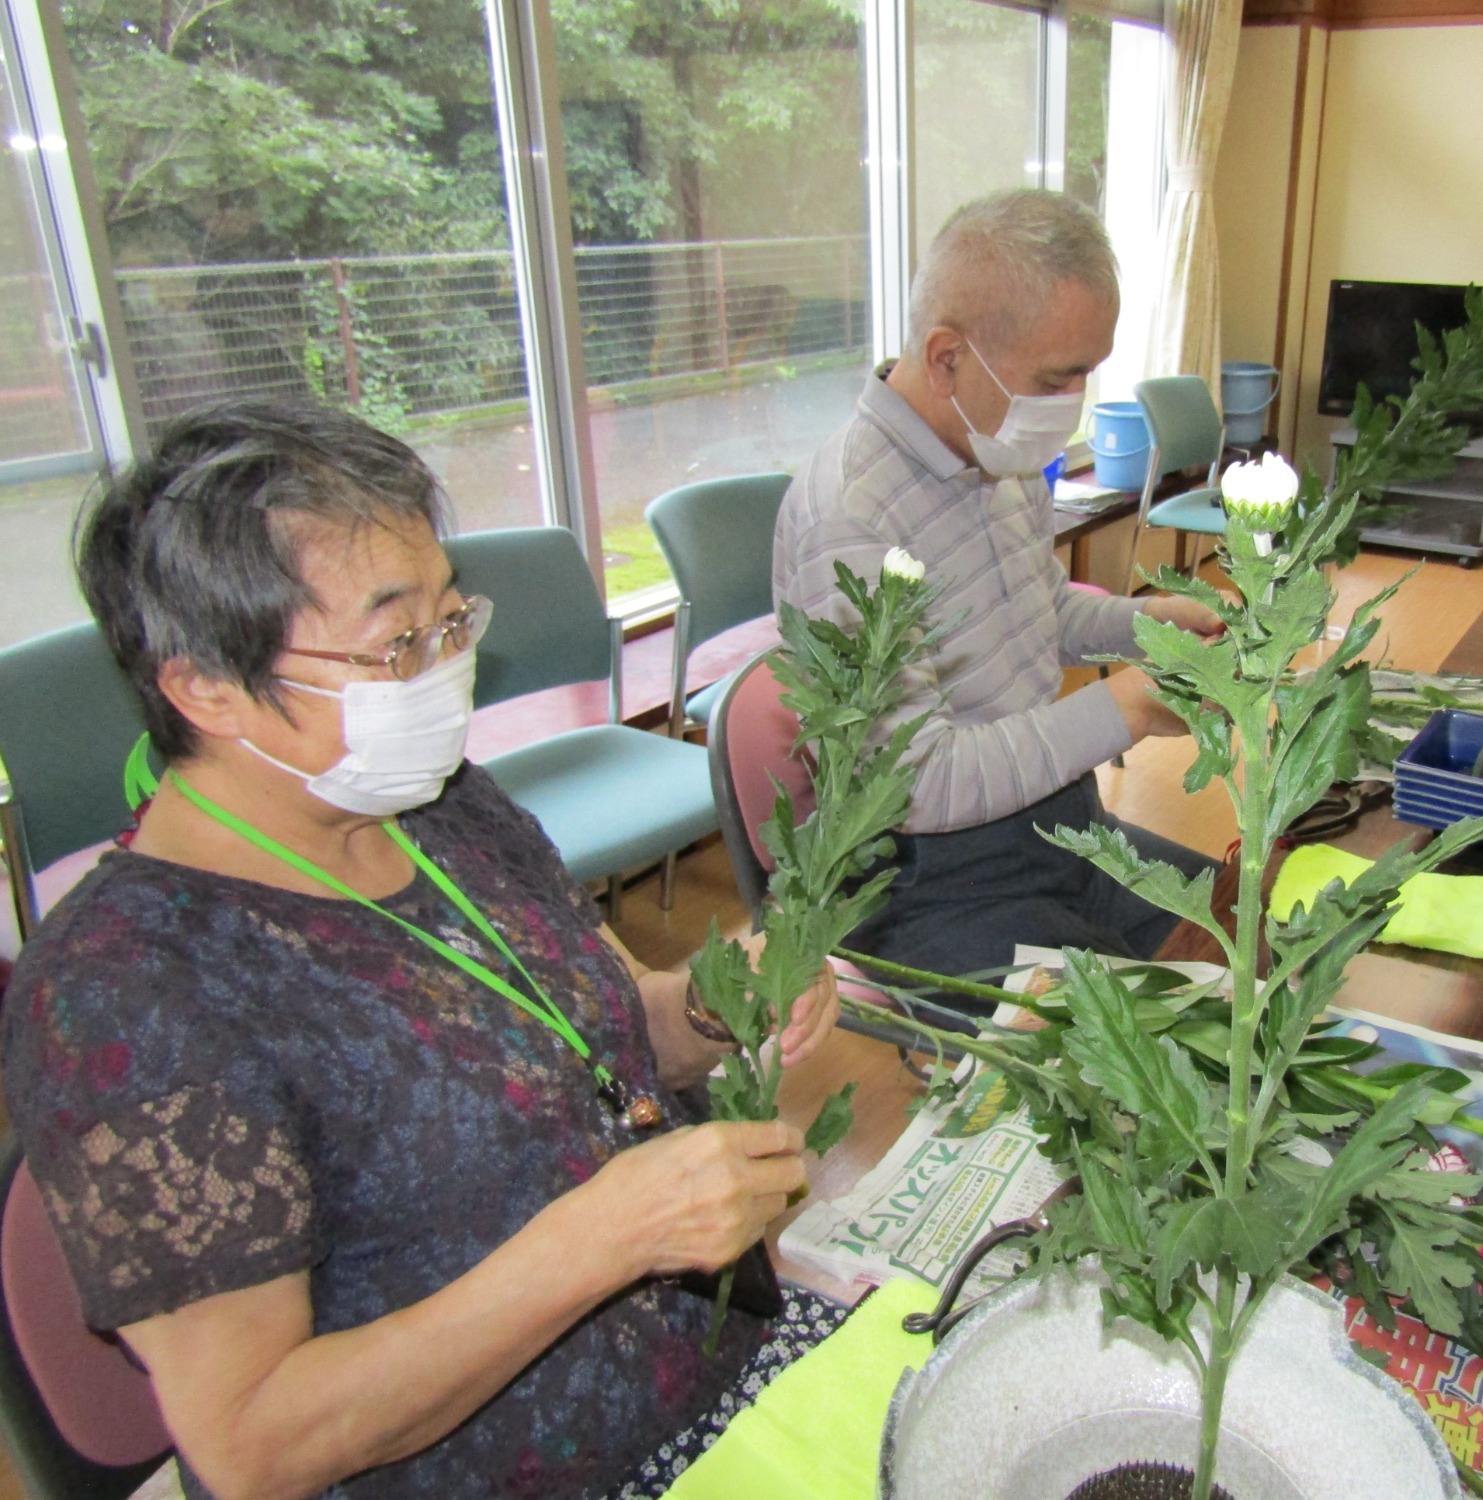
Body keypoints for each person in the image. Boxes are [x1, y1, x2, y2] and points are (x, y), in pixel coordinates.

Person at [1, 400, 844, 1500]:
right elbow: (256, 1442)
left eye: (453, 620)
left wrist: (712, 1003)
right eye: (398, 642)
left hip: (713, 1364)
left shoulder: (442, 809)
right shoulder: (128, 992)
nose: (447, 669)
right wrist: (603, 1238)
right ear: (204, 686)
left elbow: (603, 1038)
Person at [773, 189, 1223, 992]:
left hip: (1055, 825)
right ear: (948, 356)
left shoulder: (997, 452)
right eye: (1060, 376)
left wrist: (1149, 624)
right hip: (932, 882)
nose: (1073, 401)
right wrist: (1122, 709)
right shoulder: (849, 520)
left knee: (1241, 933)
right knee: (1135, 1072)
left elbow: (1037, 609)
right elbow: (916, 783)